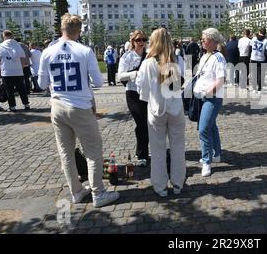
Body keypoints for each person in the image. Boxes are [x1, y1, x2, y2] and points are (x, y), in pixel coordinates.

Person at [38, 13, 119, 207]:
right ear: (79, 30)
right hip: (80, 106)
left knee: (66, 152)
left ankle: (76, 192)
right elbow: (98, 82)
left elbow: (41, 84)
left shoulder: (48, 52)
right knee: (93, 151)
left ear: (61, 29)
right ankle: (98, 193)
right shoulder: (84, 50)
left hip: (57, 106)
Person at [135, 28, 186, 197]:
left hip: (156, 109)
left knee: (157, 150)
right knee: (178, 148)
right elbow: (182, 85)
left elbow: (142, 90)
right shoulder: (178, 59)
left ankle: (160, 186)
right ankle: (178, 184)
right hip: (176, 108)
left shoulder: (147, 62)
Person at [193, 28, 227, 177]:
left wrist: (206, 92)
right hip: (203, 97)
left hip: (212, 98)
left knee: (203, 129)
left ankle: (207, 161)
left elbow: (220, 80)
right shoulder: (205, 56)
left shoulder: (218, 57)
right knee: (211, 126)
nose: (202, 41)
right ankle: (216, 154)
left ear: (213, 41)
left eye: (204, 39)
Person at [118, 30, 149, 167]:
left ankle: (147, 150)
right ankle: (142, 154)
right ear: (133, 42)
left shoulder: (149, 55)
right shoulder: (127, 56)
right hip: (133, 93)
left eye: (143, 39)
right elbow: (120, 76)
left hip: (147, 92)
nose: (141, 42)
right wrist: (135, 73)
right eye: (138, 40)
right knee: (141, 123)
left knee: (149, 123)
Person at [0, 30, 30, 112]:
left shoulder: (1, 46)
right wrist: (21, 68)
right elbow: (23, 58)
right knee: (22, 89)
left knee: (9, 90)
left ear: (4, 36)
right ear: (11, 35)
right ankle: (26, 104)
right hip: (18, 72)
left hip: (6, 72)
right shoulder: (17, 45)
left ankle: (12, 107)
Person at [249, 28, 267, 94]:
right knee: (261, 74)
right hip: (261, 59)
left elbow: (250, 48)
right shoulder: (266, 41)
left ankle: (254, 88)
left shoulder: (254, 39)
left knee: (254, 74)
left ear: (259, 32)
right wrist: (266, 61)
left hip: (253, 58)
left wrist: (250, 56)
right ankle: (260, 89)